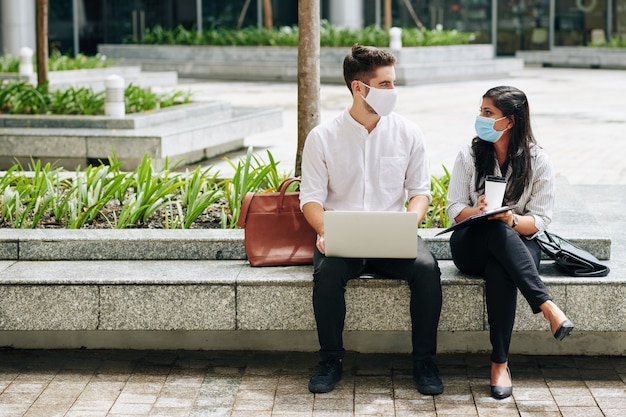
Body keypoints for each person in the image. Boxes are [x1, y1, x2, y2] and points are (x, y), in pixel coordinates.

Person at [299, 44, 443, 396]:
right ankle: (330, 359)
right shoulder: (322, 137)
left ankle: (424, 361)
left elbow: (420, 191)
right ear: (358, 88)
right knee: (328, 274)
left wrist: (410, 223)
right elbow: (311, 199)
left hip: (393, 234)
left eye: (393, 83)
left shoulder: (408, 132)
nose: (393, 92)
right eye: (386, 85)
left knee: (427, 270)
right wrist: (324, 231)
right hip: (342, 236)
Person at [446, 86, 574, 400]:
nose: (480, 118)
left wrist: (511, 220)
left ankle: (499, 364)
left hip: (515, 242)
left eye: (488, 113)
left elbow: (540, 220)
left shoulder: (538, 161)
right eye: (481, 111)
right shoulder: (469, 154)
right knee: (493, 231)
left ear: (510, 121)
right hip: (470, 244)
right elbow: (452, 209)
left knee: (501, 260)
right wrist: (475, 212)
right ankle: (547, 306)